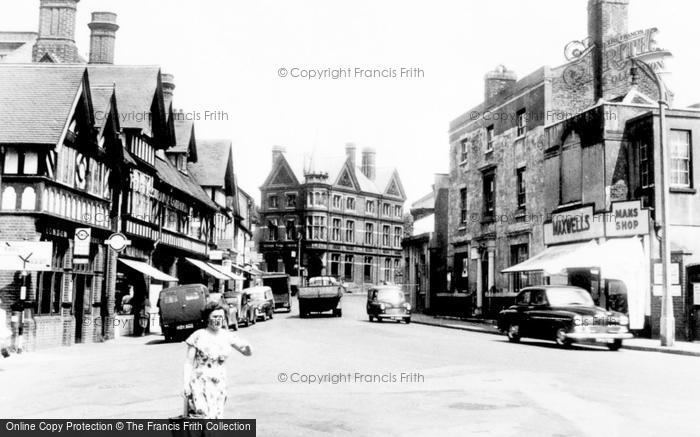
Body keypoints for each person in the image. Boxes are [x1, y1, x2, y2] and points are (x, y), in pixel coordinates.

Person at [183, 301, 252, 419]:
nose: (218, 319)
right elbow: (189, 362)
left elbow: (246, 353)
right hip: (199, 382)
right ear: (207, 318)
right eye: (215, 316)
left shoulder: (227, 336)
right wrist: (185, 384)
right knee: (202, 416)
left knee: (216, 417)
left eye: (221, 317)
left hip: (219, 383)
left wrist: (248, 347)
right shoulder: (198, 336)